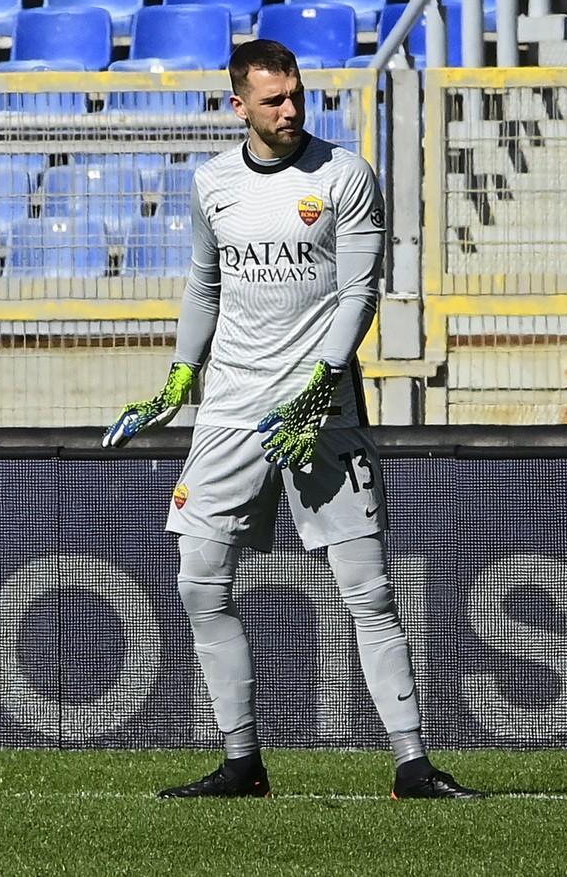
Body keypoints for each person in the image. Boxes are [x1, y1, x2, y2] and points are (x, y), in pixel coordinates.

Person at [103, 40, 483, 801]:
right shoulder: (212, 184)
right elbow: (204, 285)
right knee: (198, 583)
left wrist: (320, 383)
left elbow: (359, 295)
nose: (291, 110)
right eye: (273, 100)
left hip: (322, 411)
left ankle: (412, 763)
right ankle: (242, 762)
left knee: (367, 590)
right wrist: (183, 370)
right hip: (233, 410)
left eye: (297, 96)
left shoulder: (344, 175)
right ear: (237, 104)